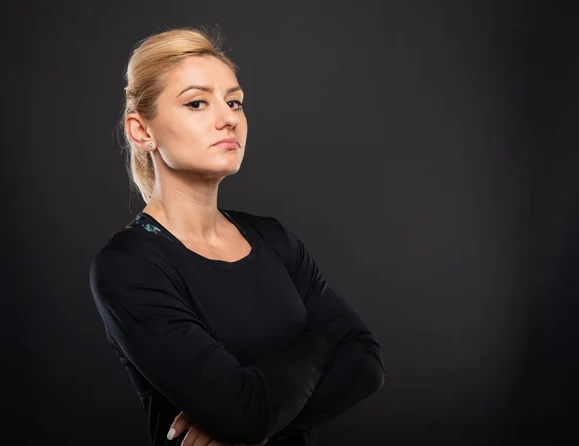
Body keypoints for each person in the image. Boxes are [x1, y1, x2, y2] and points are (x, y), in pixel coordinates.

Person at [89, 26, 385, 446]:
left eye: (234, 102)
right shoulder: (128, 266)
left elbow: (367, 364)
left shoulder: (273, 238)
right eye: (197, 102)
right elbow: (245, 412)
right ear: (141, 131)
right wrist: (325, 342)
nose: (228, 117)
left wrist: (257, 422)